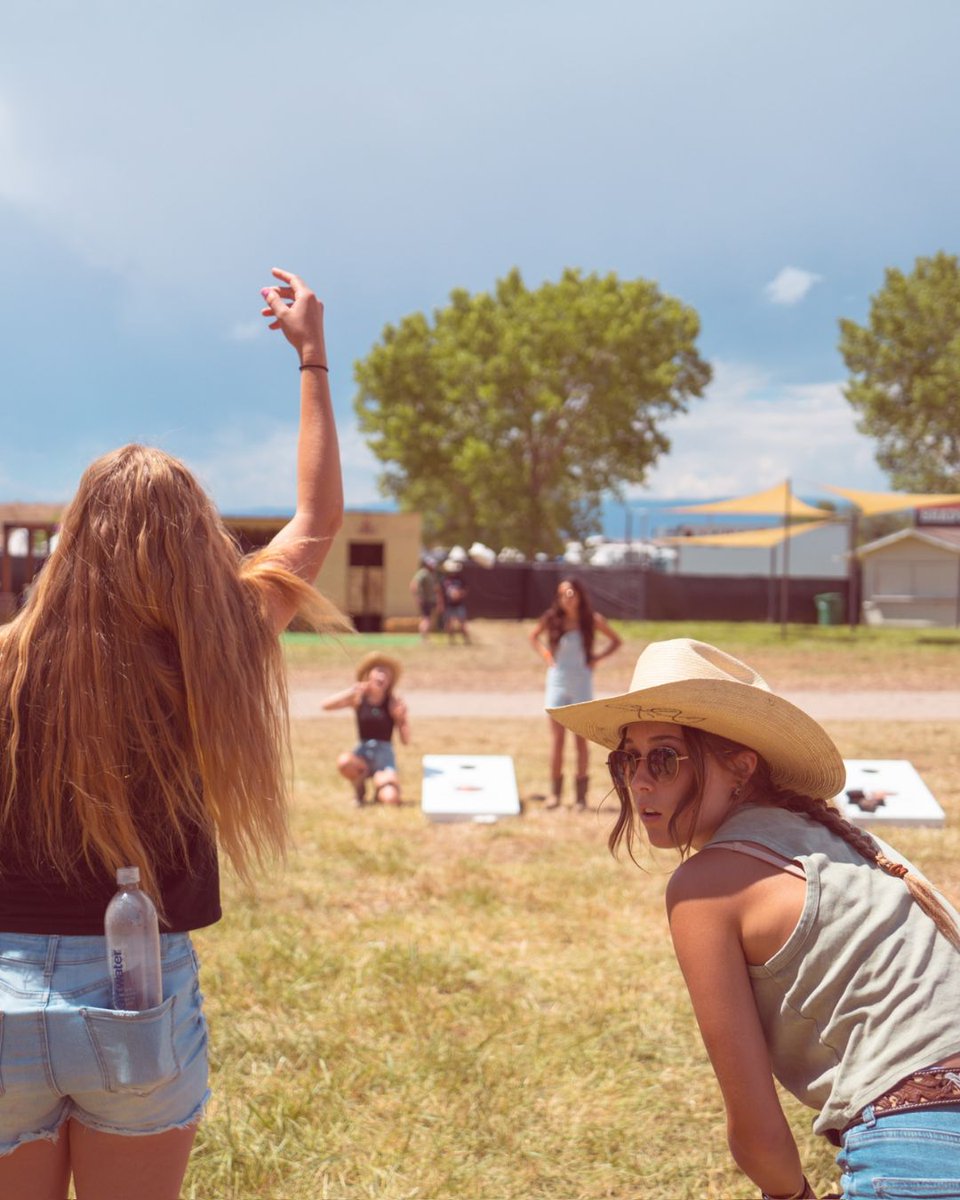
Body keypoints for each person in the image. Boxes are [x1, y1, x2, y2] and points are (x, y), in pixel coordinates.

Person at [0, 268, 347, 1200]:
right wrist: (311, 357)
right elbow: (314, 524)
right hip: (135, 991)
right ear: (196, 539)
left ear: (73, 536)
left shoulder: (5, 660)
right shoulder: (220, 648)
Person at [549, 638, 960, 1200]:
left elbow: (757, 1134)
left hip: (923, 1143)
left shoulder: (707, 884)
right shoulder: (840, 841)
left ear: (741, 768)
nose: (639, 781)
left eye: (664, 758)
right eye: (627, 759)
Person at [529, 577, 622, 810]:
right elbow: (533, 636)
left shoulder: (591, 620)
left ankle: (581, 797)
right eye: (562, 594)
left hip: (581, 682)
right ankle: (555, 794)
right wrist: (547, 656)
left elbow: (615, 641)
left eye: (571, 593)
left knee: (581, 740)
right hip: (558, 681)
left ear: (579, 595)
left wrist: (597, 659)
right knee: (558, 740)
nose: (567, 598)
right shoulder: (552, 619)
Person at [323, 652, 410, 806]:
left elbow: (405, 741)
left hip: (384, 757)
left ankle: (381, 788)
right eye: (379, 671)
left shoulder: (393, 702)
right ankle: (360, 791)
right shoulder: (358, 698)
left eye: (387, 674)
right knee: (345, 762)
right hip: (363, 754)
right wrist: (351, 690)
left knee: (390, 799)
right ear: (369, 675)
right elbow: (326, 705)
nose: (382, 676)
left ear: (390, 681)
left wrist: (401, 719)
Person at [410, 555, 440, 640]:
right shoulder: (423, 573)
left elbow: (436, 588)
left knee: (428, 618)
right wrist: (417, 596)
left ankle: (425, 636)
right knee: (426, 619)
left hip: (430, 601)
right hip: (426, 600)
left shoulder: (431, 574)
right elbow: (414, 584)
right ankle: (424, 637)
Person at [440, 560, 470, 643]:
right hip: (448, 605)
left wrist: (460, 594)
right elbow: (440, 593)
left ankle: (466, 639)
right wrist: (441, 604)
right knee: (449, 623)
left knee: (462, 623)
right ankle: (451, 640)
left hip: (459, 604)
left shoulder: (460, 579)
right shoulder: (444, 580)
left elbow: (466, 589)